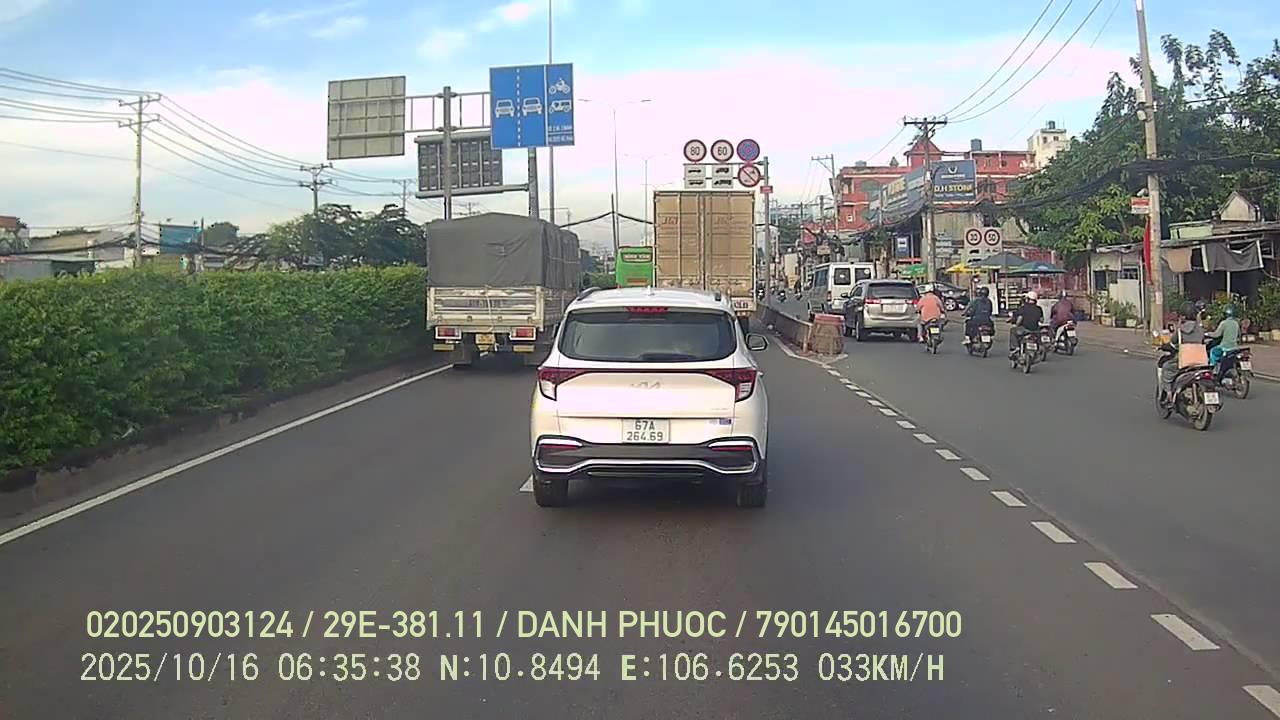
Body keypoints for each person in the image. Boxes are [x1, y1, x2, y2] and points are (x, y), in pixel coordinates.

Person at [1160, 301, 1206, 402]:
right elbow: (1203, 341)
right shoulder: (1200, 329)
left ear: (1183, 315)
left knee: (1166, 368)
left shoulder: (1180, 330)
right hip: (1200, 361)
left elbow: (1172, 342)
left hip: (1185, 361)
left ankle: (1168, 395)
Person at [1008, 291, 1043, 356]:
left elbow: (1019, 319)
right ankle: (1039, 347)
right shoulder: (1039, 309)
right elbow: (1041, 320)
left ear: (1027, 299)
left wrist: (1017, 325)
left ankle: (1015, 347)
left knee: (1013, 330)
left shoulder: (1023, 308)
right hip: (1035, 330)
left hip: (1025, 329)